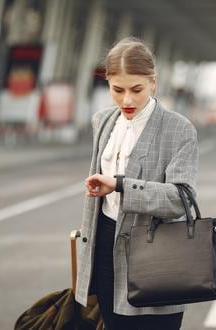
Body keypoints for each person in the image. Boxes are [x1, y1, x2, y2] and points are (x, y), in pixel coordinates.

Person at [75, 37, 199, 330]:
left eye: (136, 89)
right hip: (104, 249)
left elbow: (181, 198)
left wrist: (120, 185)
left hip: (156, 257)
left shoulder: (179, 129)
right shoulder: (102, 121)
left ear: (153, 82)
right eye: (117, 90)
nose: (127, 100)